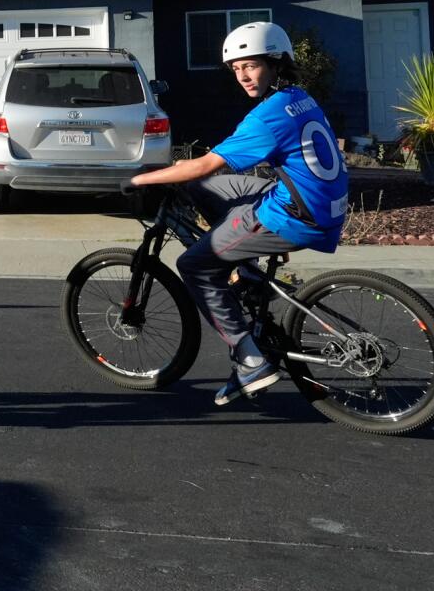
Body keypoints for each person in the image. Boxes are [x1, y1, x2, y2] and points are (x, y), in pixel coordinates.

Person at [128, 21, 348, 407]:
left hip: (296, 215)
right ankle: (243, 269)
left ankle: (251, 361)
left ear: (276, 63)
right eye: (236, 68)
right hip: (320, 199)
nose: (243, 76)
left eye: (251, 65)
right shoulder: (298, 97)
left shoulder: (266, 118)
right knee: (205, 189)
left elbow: (205, 164)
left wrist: (143, 180)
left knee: (194, 265)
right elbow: (210, 175)